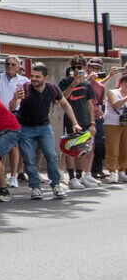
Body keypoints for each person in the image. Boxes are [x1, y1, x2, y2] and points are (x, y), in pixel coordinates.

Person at [9, 64, 78, 199]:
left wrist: (75, 123)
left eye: (37, 77)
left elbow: (64, 104)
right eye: (32, 76)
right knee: (29, 158)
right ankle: (35, 187)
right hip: (25, 127)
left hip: (43, 126)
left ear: (45, 78)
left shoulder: (52, 88)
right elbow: (12, 107)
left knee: (51, 155)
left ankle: (56, 185)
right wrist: (15, 98)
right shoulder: (24, 88)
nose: (33, 79)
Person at [0, 55, 28, 188]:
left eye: (13, 64)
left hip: (15, 114)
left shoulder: (24, 80)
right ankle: (0, 174)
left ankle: (14, 176)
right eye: (8, 64)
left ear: (18, 67)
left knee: (14, 146)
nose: (10, 67)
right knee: (0, 145)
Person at [58, 56, 98, 189]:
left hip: (85, 120)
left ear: (85, 68)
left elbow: (90, 105)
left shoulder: (87, 84)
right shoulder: (65, 81)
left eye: (79, 67)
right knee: (70, 148)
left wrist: (92, 122)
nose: (76, 69)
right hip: (70, 121)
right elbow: (62, 98)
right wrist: (73, 84)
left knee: (82, 149)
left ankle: (80, 176)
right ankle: (71, 177)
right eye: (74, 67)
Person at [103, 73, 127, 184]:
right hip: (112, 123)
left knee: (124, 149)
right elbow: (115, 105)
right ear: (121, 83)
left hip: (125, 124)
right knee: (113, 148)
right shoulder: (113, 92)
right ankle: (112, 172)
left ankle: (122, 171)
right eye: (126, 84)